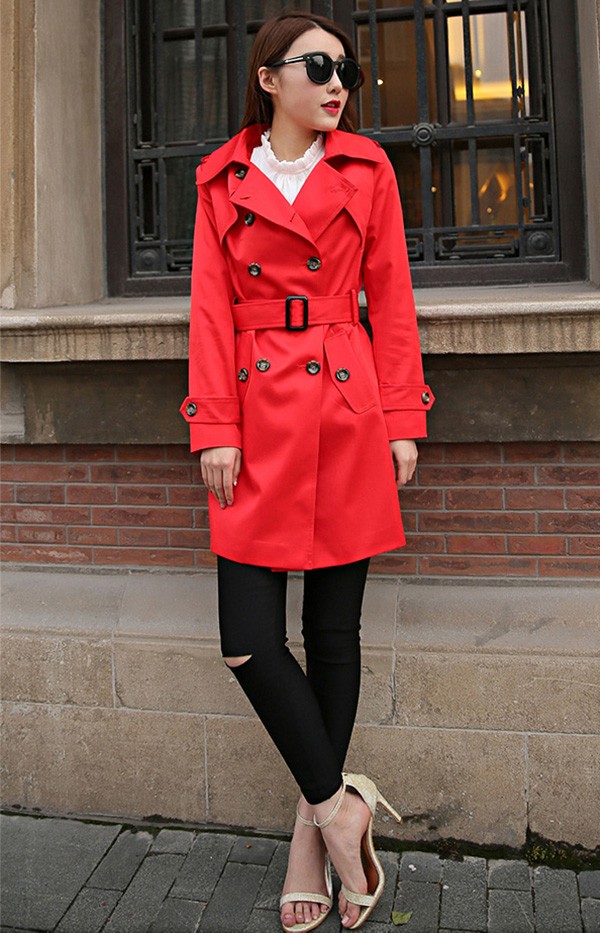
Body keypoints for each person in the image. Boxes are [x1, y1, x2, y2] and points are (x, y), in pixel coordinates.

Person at [180, 12, 434, 931]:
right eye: (318, 66)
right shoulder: (221, 180)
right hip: (253, 418)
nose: (337, 84)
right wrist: (215, 423)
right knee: (248, 638)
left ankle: (306, 832)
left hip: (346, 405)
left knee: (332, 631)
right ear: (268, 78)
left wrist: (403, 417)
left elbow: (392, 297)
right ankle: (341, 808)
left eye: (345, 70)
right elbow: (209, 309)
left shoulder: (367, 170)